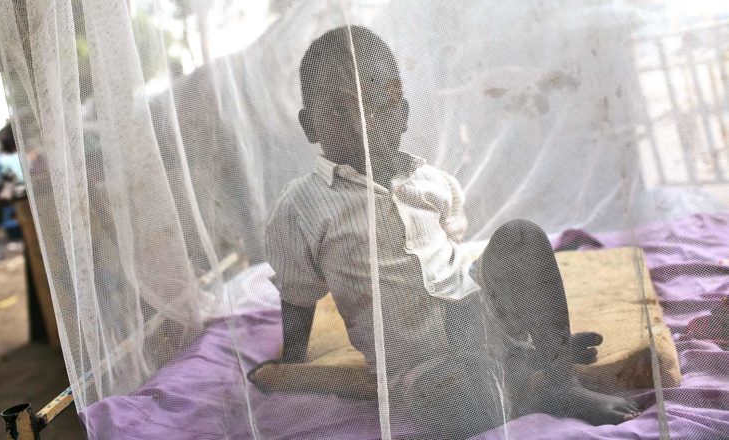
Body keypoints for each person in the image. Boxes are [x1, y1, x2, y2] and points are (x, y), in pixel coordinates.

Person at [263, 25, 641, 438]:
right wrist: (293, 361)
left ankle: (559, 379)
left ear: (403, 115)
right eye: (338, 111)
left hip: (483, 315)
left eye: (377, 105)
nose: (362, 125)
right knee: (461, 407)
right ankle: (521, 374)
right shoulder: (302, 205)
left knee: (519, 236)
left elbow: (453, 255)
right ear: (309, 126)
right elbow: (296, 291)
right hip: (422, 366)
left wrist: (506, 312)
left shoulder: (432, 182)